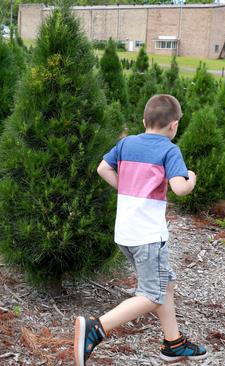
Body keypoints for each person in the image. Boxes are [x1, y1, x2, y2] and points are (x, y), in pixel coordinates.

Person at [74, 94, 207, 365]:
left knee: (165, 283)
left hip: (125, 233)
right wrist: (191, 178)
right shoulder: (170, 150)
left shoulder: (126, 143)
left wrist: (126, 187)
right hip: (149, 236)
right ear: (174, 126)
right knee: (151, 294)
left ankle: (173, 343)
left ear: (144, 120)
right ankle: (97, 327)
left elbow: (102, 168)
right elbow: (180, 188)